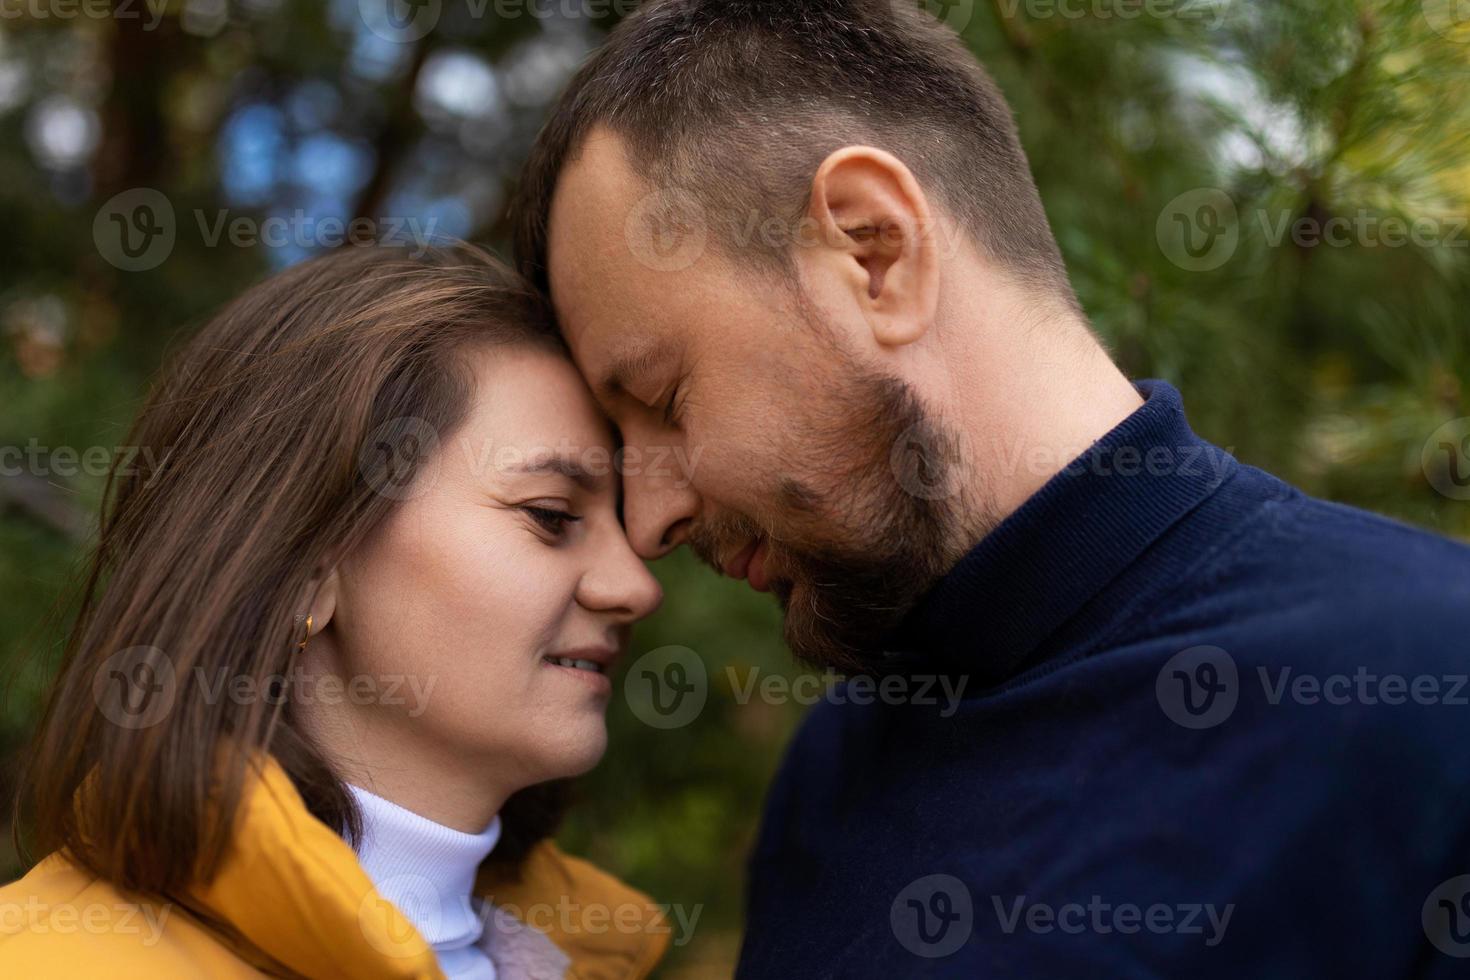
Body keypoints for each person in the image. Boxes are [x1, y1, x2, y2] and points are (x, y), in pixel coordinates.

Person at [511, 0, 1470, 975]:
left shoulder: (1433, 685)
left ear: (872, 252)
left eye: (665, 398)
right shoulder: (832, 772)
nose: (649, 517)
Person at [1, 244, 669, 979]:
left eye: (624, 522)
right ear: (309, 567)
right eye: (550, 514)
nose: (634, 586)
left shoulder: (594, 957)